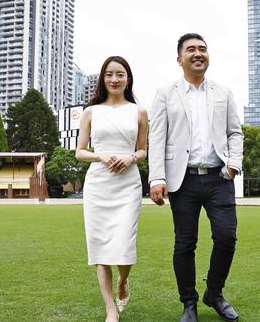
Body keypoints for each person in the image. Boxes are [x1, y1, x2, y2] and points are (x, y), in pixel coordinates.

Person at [148, 33, 243, 322]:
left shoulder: (223, 92)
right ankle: (188, 303)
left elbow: (235, 132)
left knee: (227, 237)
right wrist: (156, 179)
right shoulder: (166, 93)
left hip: (219, 178)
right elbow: (157, 137)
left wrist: (233, 166)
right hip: (183, 181)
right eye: (191, 49)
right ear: (180, 59)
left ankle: (214, 293)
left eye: (203, 49)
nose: (198, 53)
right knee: (185, 244)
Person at [76, 56, 148, 322]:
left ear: (128, 78)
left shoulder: (139, 111)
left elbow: (142, 150)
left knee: (125, 245)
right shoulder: (91, 112)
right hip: (98, 183)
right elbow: (80, 151)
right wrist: (101, 156)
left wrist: (131, 157)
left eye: (120, 74)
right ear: (102, 79)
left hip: (128, 183)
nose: (114, 79)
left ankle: (123, 280)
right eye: (109, 74)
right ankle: (110, 310)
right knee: (100, 247)